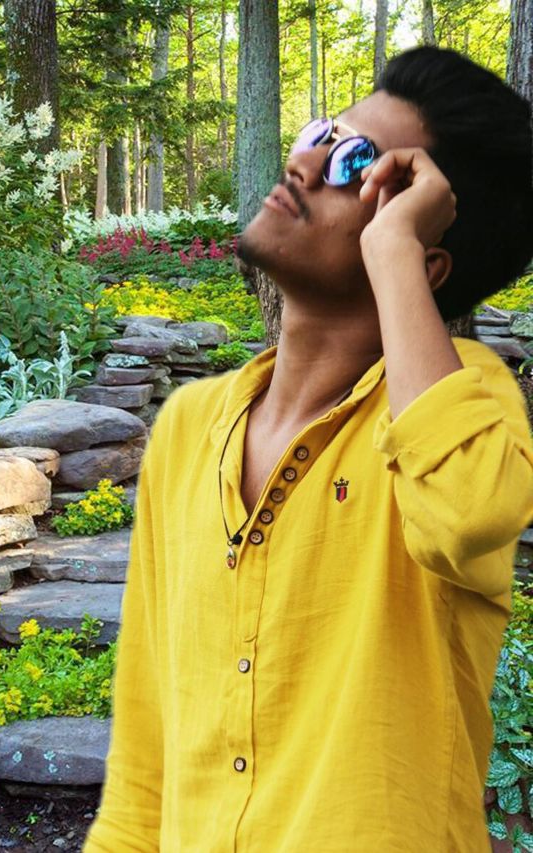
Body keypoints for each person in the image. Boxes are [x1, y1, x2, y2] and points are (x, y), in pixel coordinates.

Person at [84, 45, 533, 852]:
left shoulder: (469, 408)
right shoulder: (188, 425)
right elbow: (146, 750)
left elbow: (466, 513)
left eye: (356, 161)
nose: (306, 162)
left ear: (423, 254)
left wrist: (391, 255)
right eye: (320, 133)